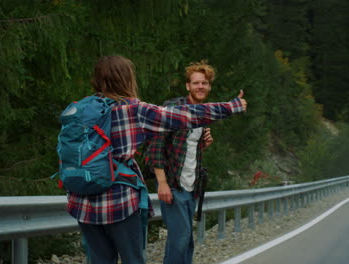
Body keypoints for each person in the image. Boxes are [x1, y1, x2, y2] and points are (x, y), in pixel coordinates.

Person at [65, 55, 246, 264]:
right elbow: (185, 116)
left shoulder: (79, 109)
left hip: (82, 202)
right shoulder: (133, 110)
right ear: (126, 79)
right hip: (119, 202)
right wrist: (231, 106)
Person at [145, 60, 220, 264]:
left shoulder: (203, 114)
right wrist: (162, 183)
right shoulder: (173, 108)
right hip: (173, 184)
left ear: (209, 86)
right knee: (179, 239)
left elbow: (184, 150)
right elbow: (155, 146)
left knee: (186, 241)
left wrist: (202, 146)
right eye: (196, 83)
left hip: (191, 187)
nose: (200, 87)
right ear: (188, 86)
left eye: (204, 83)